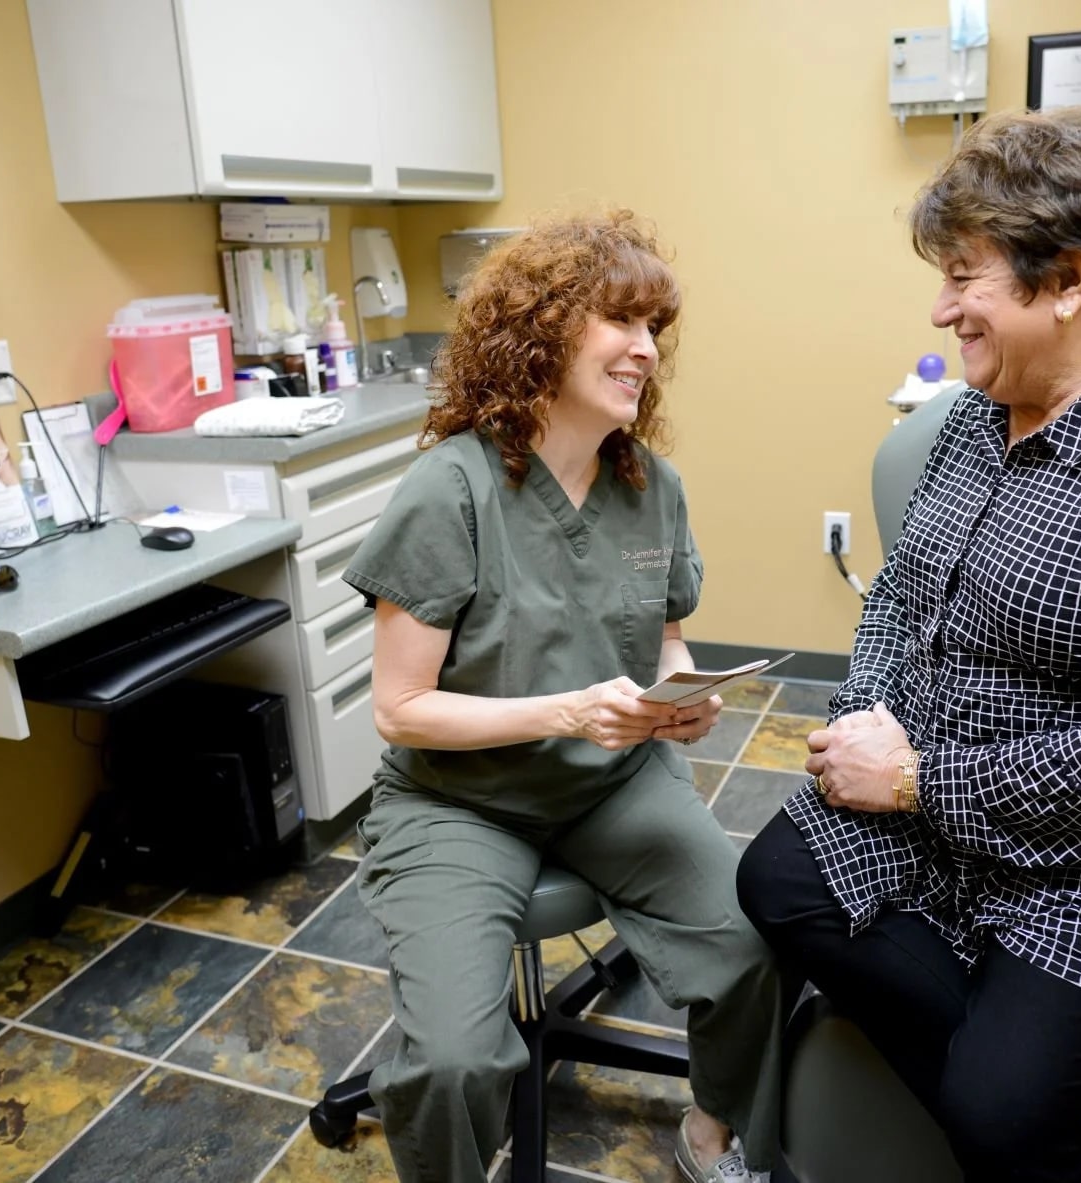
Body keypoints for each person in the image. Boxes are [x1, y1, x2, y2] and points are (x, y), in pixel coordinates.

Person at [737, 106, 1081, 1183]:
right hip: (954, 800)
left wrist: (910, 784)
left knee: (993, 1114)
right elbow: (897, 590)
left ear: (1069, 280)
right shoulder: (971, 421)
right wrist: (865, 712)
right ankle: (1070, 1093)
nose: (940, 308)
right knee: (778, 877)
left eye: (963, 276)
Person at [346, 210, 782, 1183]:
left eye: (652, 331)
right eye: (620, 322)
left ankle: (713, 1133)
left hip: (613, 782)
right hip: (457, 798)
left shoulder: (649, 486)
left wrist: (681, 697)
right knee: (453, 1062)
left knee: (748, 952)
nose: (643, 351)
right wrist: (567, 713)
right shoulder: (449, 491)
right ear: (539, 330)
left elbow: (664, 635)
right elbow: (400, 709)